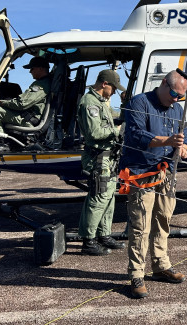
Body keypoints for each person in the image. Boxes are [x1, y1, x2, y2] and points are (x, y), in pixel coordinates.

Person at [119, 70, 187, 299]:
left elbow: (185, 131)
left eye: (180, 96)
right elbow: (136, 135)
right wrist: (167, 141)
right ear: (162, 84)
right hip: (142, 173)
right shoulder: (139, 102)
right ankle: (136, 274)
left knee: (163, 219)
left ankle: (161, 266)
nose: (176, 99)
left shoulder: (177, 108)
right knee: (141, 225)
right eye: (173, 93)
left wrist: (183, 146)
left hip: (166, 172)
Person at [76, 69, 127, 256]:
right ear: (104, 84)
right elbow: (94, 133)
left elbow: (116, 117)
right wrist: (117, 131)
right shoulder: (90, 102)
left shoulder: (101, 102)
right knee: (98, 198)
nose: (113, 91)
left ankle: (103, 234)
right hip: (97, 158)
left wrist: (124, 104)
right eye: (113, 87)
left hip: (108, 157)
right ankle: (88, 241)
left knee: (108, 197)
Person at [0, 56, 52, 152]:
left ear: (41, 68)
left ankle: (1, 143)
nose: (30, 71)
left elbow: (21, 104)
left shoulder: (41, 85)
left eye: (32, 68)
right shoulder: (46, 82)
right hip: (30, 117)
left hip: (30, 121)